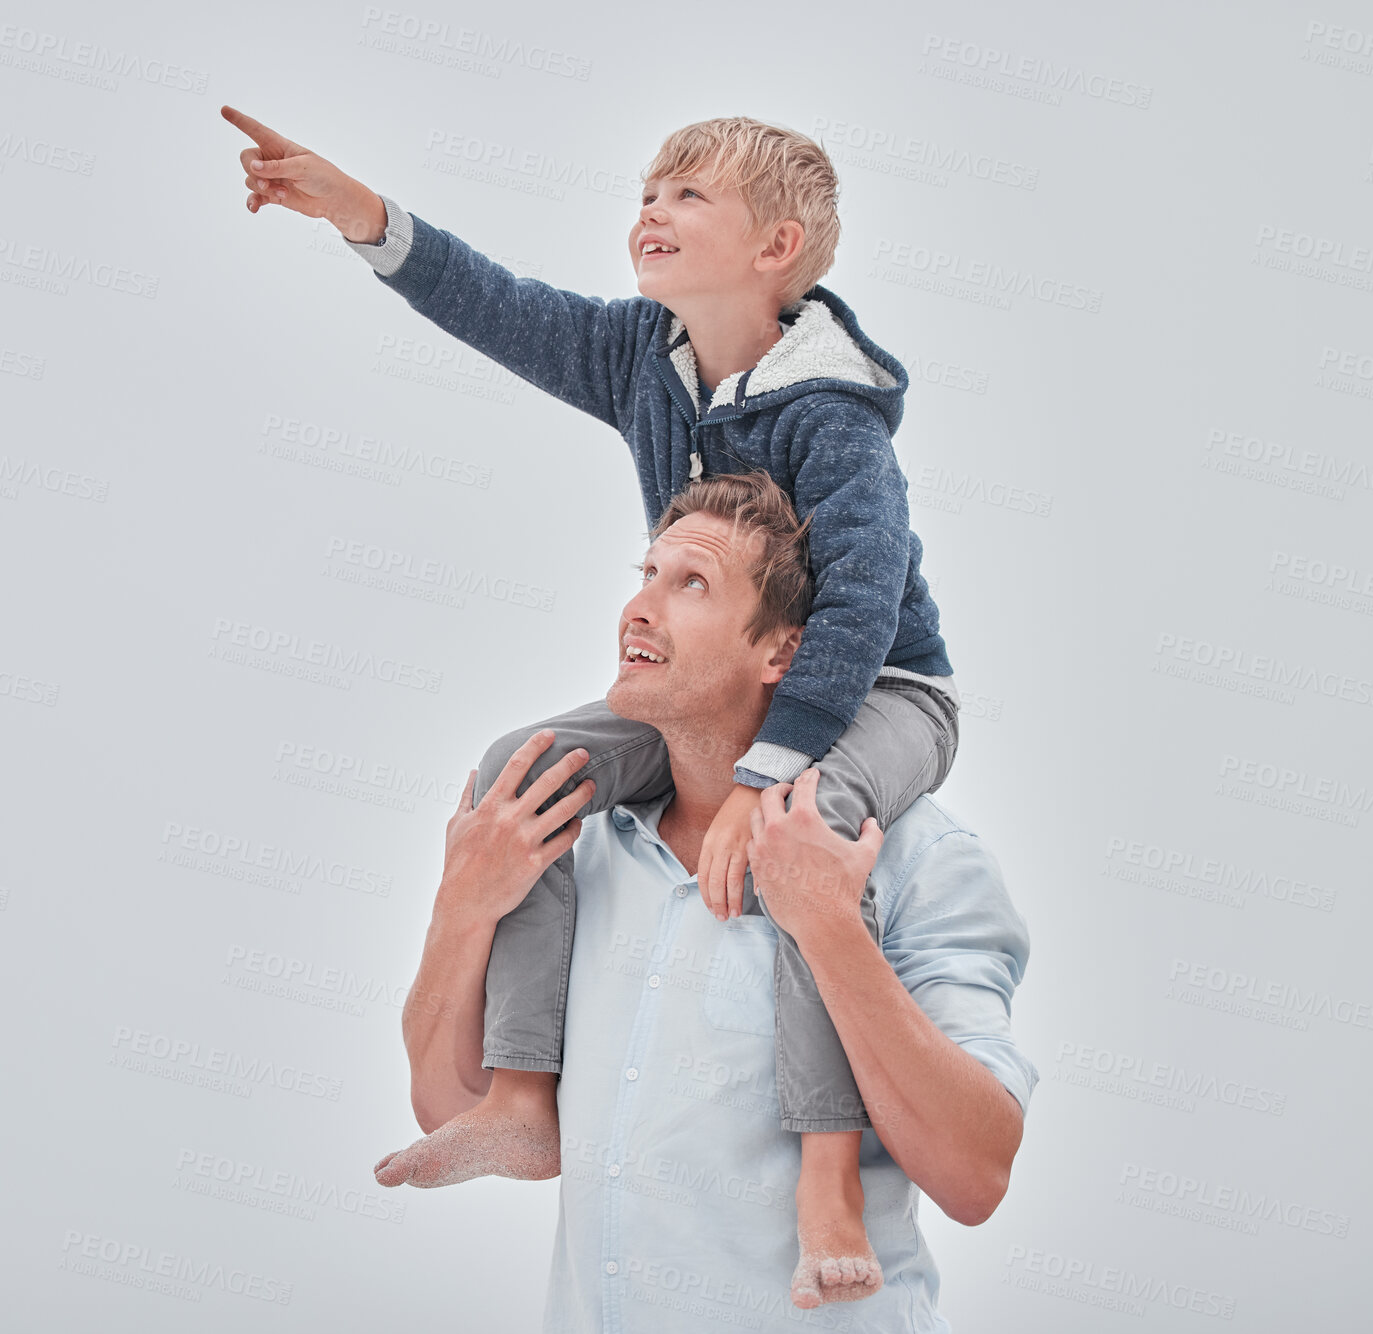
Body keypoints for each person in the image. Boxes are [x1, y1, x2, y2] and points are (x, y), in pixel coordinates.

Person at [223, 105, 961, 1307]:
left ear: (776, 246)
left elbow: (863, 603)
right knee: (531, 763)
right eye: (647, 190)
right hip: (729, 683)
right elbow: (497, 304)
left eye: (687, 195)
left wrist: (771, 772)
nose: (651, 210)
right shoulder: (639, 358)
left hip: (875, 684)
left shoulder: (831, 418)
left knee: (796, 846)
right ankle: (520, 1095)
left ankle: (827, 1163)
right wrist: (360, 213)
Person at [372, 474, 1037, 1330]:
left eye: (690, 585)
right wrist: (459, 910)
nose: (638, 609)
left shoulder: (916, 858)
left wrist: (829, 925)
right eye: (646, 573)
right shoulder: (573, 846)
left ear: (784, 655)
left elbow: (977, 1175)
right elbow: (450, 1107)